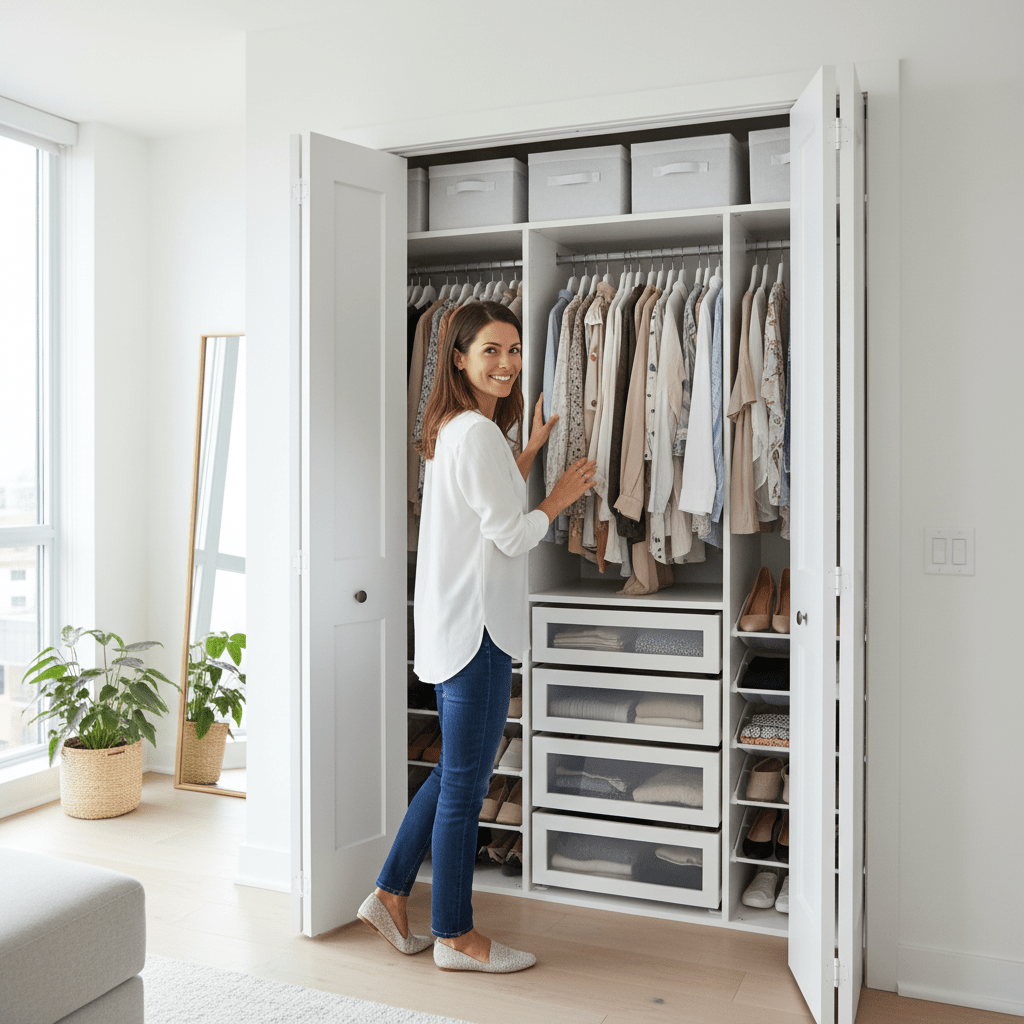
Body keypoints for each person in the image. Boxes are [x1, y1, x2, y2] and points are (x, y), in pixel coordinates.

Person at [357, 300, 596, 974]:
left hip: (451, 621)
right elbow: (512, 533)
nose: (508, 363)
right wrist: (559, 498)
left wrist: (528, 453)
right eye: (491, 351)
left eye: (515, 351)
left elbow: (480, 505)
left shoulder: (454, 431)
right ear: (458, 357)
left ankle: (388, 892)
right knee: (466, 785)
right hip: (478, 632)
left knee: (453, 772)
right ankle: (456, 936)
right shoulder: (475, 434)